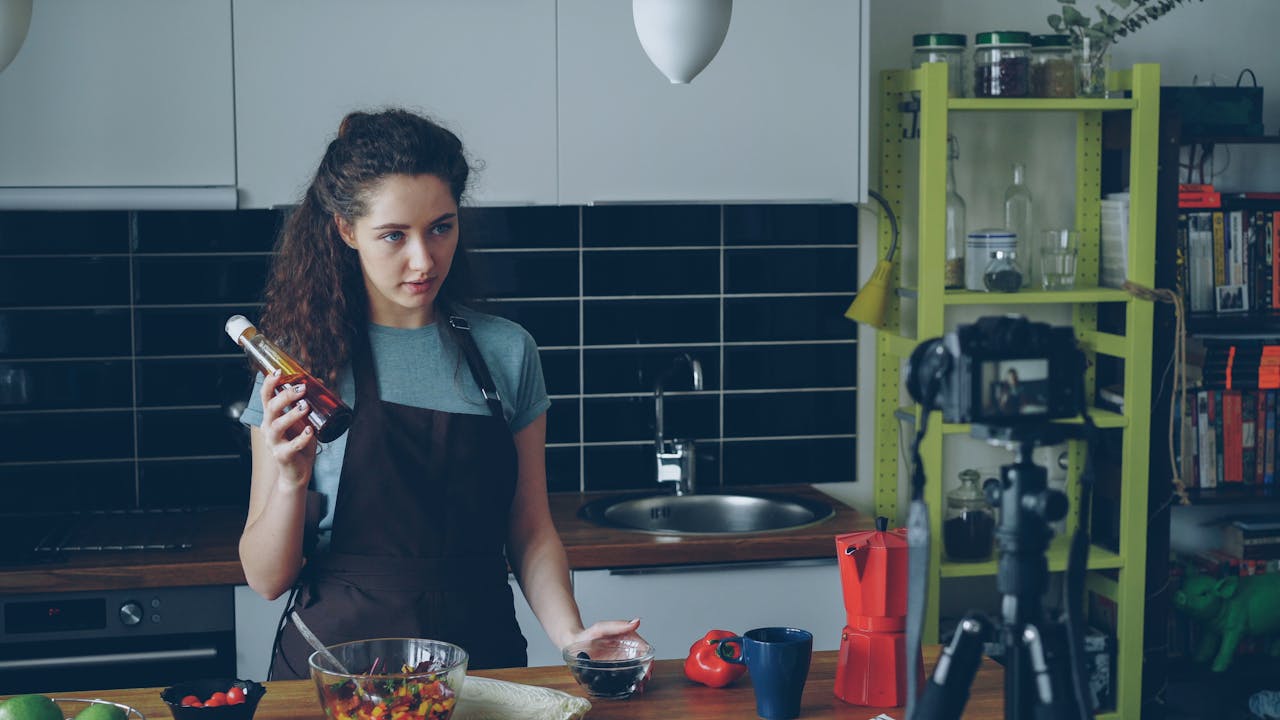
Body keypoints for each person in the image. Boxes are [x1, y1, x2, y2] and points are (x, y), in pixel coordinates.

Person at [237, 108, 643, 679]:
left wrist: (570, 635)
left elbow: (529, 529)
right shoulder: (298, 365)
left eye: (441, 227)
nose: (424, 260)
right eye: (394, 235)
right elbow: (265, 578)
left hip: (482, 673)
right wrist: (292, 478)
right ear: (346, 230)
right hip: (335, 678)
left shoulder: (507, 351)